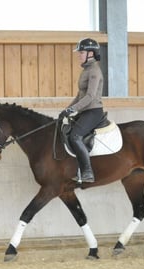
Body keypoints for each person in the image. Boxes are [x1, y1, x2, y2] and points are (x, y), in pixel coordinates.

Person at [58, 38, 104, 183]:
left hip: (93, 111)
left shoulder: (94, 71)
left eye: (81, 52)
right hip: (84, 111)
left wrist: (72, 109)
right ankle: (75, 169)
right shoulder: (86, 70)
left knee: (75, 136)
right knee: (66, 132)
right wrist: (66, 110)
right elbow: (80, 95)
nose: (79, 55)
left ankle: (87, 172)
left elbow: (90, 96)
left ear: (91, 53)